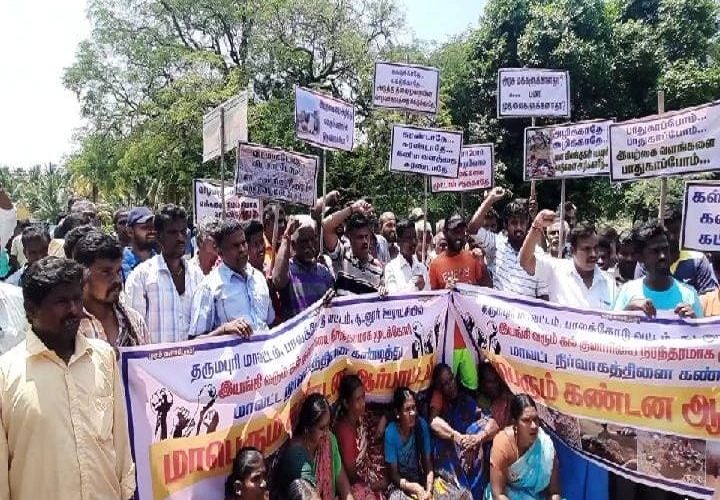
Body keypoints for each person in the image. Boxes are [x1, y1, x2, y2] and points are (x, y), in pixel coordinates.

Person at [0, 256, 135, 499]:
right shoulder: (6, 373)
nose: (74, 310)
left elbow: (121, 446)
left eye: (77, 299)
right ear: (31, 309)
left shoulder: (103, 357)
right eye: (62, 302)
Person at [126, 204, 204, 343]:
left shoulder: (197, 276)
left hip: (194, 356)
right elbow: (135, 333)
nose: (180, 238)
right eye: (173, 233)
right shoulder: (141, 277)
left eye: (183, 232)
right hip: (153, 357)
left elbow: (203, 327)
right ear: (158, 237)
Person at [429, 213, 488, 392]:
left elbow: (487, 288)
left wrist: (482, 263)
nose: (459, 236)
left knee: (472, 387)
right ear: (445, 232)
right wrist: (444, 292)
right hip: (448, 341)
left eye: (462, 232)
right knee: (446, 390)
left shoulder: (472, 258)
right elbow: (432, 303)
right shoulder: (436, 264)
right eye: (455, 232)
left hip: (471, 338)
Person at [189, 219, 274, 337]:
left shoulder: (259, 278)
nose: (242, 249)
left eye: (243, 243)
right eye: (235, 246)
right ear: (220, 252)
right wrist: (224, 330)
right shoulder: (209, 288)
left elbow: (269, 322)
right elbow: (196, 342)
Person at [520, 211, 616, 310]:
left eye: (595, 248)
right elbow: (525, 262)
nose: (593, 254)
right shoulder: (556, 270)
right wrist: (536, 226)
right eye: (587, 249)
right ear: (572, 250)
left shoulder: (609, 283)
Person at [429, 364, 497, 498]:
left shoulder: (465, 398)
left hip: (473, 446)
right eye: (445, 383)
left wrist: (476, 439)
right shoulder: (439, 400)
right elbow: (433, 421)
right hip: (452, 450)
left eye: (451, 379)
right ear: (439, 387)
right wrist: (459, 439)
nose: (451, 385)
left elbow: (491, 422)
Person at [469, 188, 549, 299]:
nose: (519, 227)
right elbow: (472, 229)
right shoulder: (496, 244)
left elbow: (543, 296)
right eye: (514, 223)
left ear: (527, 224)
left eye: (522, 222)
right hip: (498, 309)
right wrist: (490, 200)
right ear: (506, 225)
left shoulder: (538, 254)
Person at [614, 219, 702, 319]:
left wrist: (694, 321)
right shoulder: (627, 292)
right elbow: (612, 327)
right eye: (655, 251)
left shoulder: (689, 295)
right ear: (640, 257)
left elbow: (703, 329)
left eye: (665, 249)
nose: (662, 256)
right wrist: (628, 311)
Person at [75, 231, 150, 347]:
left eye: (118, 272)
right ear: (83, 274)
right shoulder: (72, 326)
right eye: (106, 272)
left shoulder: (134, 321)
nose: (117, 280)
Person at [276, 393, 354, 500]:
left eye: (328, 425)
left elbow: (343, 483)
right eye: (321, 428)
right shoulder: (296, 456)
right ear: (307, 428)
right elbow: (311, 496)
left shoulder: (328, 441)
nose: (326, 432)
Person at [485, 394, 560, 500]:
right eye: (526, 420)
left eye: (535, 419)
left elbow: (554, 492)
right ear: (514, 423)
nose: (533, 426)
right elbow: (498, 494)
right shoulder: (502, 445)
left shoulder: (546, 447)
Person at [635, 206, 718, 295]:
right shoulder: (645, 261)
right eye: (667, 232)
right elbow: (639, 294)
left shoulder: (698, 260)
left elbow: (707, 298)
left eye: (676, 231)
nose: (672, 237)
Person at [334, 374, 387, 499]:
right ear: (346, 403)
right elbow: (352, 476)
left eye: (363, 396)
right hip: (359, 484)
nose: (363, 403)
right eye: (358, 399)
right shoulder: (345, 432)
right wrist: (374, 485)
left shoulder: (360, 418)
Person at [272, 216, 334, 319]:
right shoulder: (288, 270)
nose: (310, 244)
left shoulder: (324, 272)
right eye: (304, 241)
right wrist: (286, 236)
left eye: (312, 239)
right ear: (293, 245)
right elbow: (278, 280)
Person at [323, 201, 383, 295]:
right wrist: (353, 209)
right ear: (350, 238)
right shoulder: (341, 256)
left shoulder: (378, 268)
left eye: (366, 236)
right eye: (360, 237)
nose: (364, 241)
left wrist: (383, 291)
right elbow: (326, 226)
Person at [384, 219, 429, 293]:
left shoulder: (422, 268)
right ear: (399, 241)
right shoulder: (391, 268)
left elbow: (429, 295)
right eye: (409, 238)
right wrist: (413, 285)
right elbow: (393, 296)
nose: (413, 242)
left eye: (415, 238)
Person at [121, 206, 157, 281]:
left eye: (153, 227)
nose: (152, 231)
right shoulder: (118, 264)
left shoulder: (162, 262)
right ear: (130, 232)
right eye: (145, 227)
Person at [262, 203, 287, 273]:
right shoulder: (258, 248)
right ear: (267, 223)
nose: (283, 226)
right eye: (279, 222)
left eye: (284, 222)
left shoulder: (286, 247)